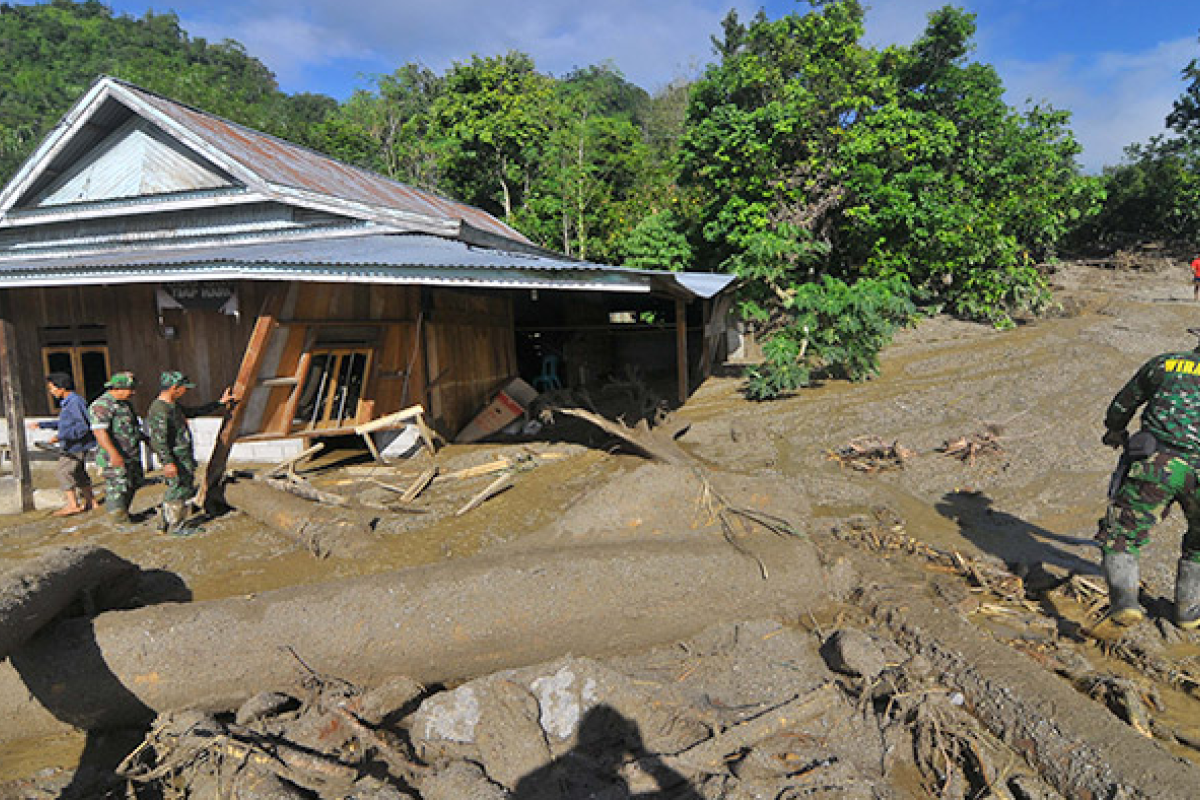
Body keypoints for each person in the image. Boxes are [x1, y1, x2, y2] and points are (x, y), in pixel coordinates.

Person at [1098, 331, 1200, 629]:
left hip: (1157, 465)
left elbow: (1122, 404)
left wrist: (1115, 431)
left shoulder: (1165, 364)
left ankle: (1125, 603)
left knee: (1121, 535)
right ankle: (1188, 611)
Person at [147, 371, 235, 534]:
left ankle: (166, 522)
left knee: (177, 488)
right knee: (179, 489)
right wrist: (167, 462)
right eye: (183, 388)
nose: (185, 391)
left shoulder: (173, 406)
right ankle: (176, 527)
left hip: (181, 456)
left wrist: (219, 403)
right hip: (176, 458)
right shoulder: (160, 410)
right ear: (174, 388)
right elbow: (159, 440)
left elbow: (193, 412)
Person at [28, 372, 96, 516]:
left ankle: (73, 504)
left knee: (63, 472)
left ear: (61, 387)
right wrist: (43, 424)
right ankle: (91, 501)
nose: (51, 392)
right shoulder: (69, 402)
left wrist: (60, 437)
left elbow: (83, 426)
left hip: (75, 446)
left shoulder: (74, 402)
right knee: (78, 473)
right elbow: (65, 423)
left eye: (52, 388)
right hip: (75, 444)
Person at [88, 371, 145, 527]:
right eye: (130, 389)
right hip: (114, 456)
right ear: (118, 388)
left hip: (130, 453)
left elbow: (132, 427)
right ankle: (118, 521)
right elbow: (100, 432)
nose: (133, 392)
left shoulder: (125, 404)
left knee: (132, 483)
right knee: (117, 487)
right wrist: (113, 454)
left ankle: (124, 513)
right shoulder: (101, 405)